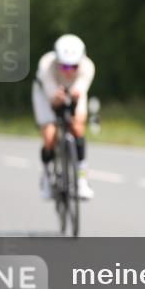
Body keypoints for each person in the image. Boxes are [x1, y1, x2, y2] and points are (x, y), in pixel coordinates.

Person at [32, 34, 96, 200]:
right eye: (65, 66)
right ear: (57, 61)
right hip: (45, 95)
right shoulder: (46, 65)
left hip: (73, 93)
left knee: (78, 127)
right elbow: (53, 100)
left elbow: (79, 92)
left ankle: (82, 180)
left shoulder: (88, 67)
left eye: (74, 66)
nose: (69, 71)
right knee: (49, 135)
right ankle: (47, 177)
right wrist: (57, 98)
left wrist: (73, 98)